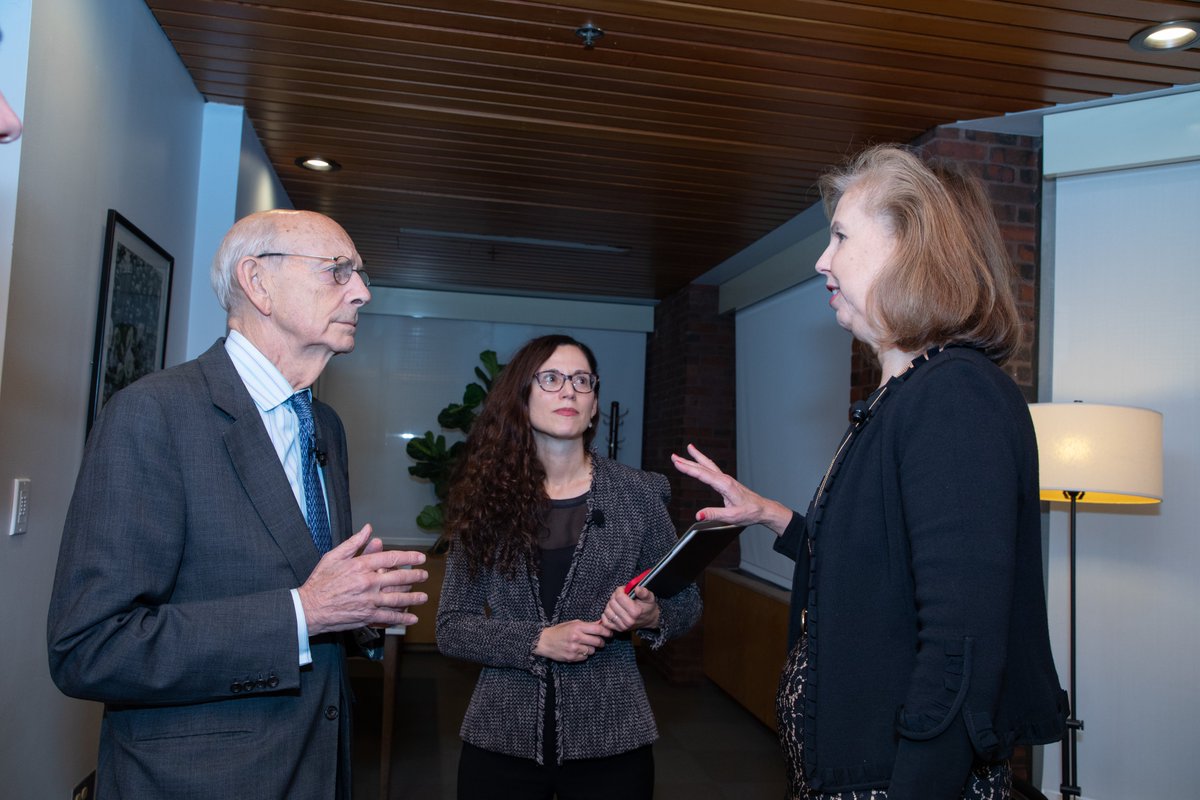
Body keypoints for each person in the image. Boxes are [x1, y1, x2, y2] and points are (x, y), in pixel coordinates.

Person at [673, 146, 1067, 799]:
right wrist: (769, 515)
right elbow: (877, 569)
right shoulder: (903, 397)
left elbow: (961, 640)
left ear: (907, 247)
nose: (821, 260)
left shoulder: (953, 399)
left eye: (840, 236)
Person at [47, 209, 429, 800]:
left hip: (315, 766)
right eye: (339, 271)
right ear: (258, 283)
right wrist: (304, 612)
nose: (362, 292)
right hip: (198, 780)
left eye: (359, 274)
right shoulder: (152, 415)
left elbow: (308, 584)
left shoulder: (324, 426)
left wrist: (360, 612)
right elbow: (90, 648)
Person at [436, 334, 701, 800]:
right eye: (552, 379)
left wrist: (651, 614)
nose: (569, 391)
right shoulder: (483, 501)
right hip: (502, 734)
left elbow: (688, 601)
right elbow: (452, 627)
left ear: (595, 404)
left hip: (612, 733)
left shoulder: (638, 494)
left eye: (582, 381)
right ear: (523, 397)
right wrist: (538, 639)